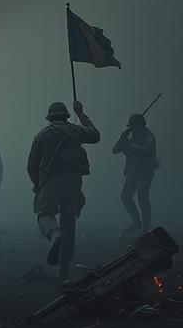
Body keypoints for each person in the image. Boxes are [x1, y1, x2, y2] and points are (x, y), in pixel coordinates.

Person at [26, 100, 100, 282]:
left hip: (52, 179)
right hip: (74, 180)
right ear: (66, 116)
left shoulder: (42, 135)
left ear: (50, 117)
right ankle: (63, 270)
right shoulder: (75, 130)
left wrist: (37, 184)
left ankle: (53, 234)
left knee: (44, 213)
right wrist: (82, 114)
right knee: (69, 221)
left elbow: (31, 166)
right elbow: (95, 135)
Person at [113, 112, 159, 234]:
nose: (131, 128)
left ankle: (146, 227)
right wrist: (121, 139)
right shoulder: (131, 136)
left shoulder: (147, 135)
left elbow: (147, 149)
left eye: (132, 126)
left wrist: (129, 144)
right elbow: (115, 150)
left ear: (139, 125)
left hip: (145, 171)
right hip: (133, 172)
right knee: (125, 196)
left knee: (142, 198)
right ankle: (137, 222)